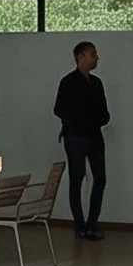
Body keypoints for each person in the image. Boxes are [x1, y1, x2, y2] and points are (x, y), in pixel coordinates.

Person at [52, 41, 110, 241]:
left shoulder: (97, 83)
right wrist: (79, 119)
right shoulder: (68, 82)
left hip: (94, 136)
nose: (97, 58)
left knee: (100, 178)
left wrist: (95, 119)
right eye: (93, 54)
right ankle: (79, 225)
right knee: (77, 178)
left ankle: (92, 223)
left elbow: (104, 114)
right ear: (81, 57)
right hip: (75, 136)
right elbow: (59, 109)